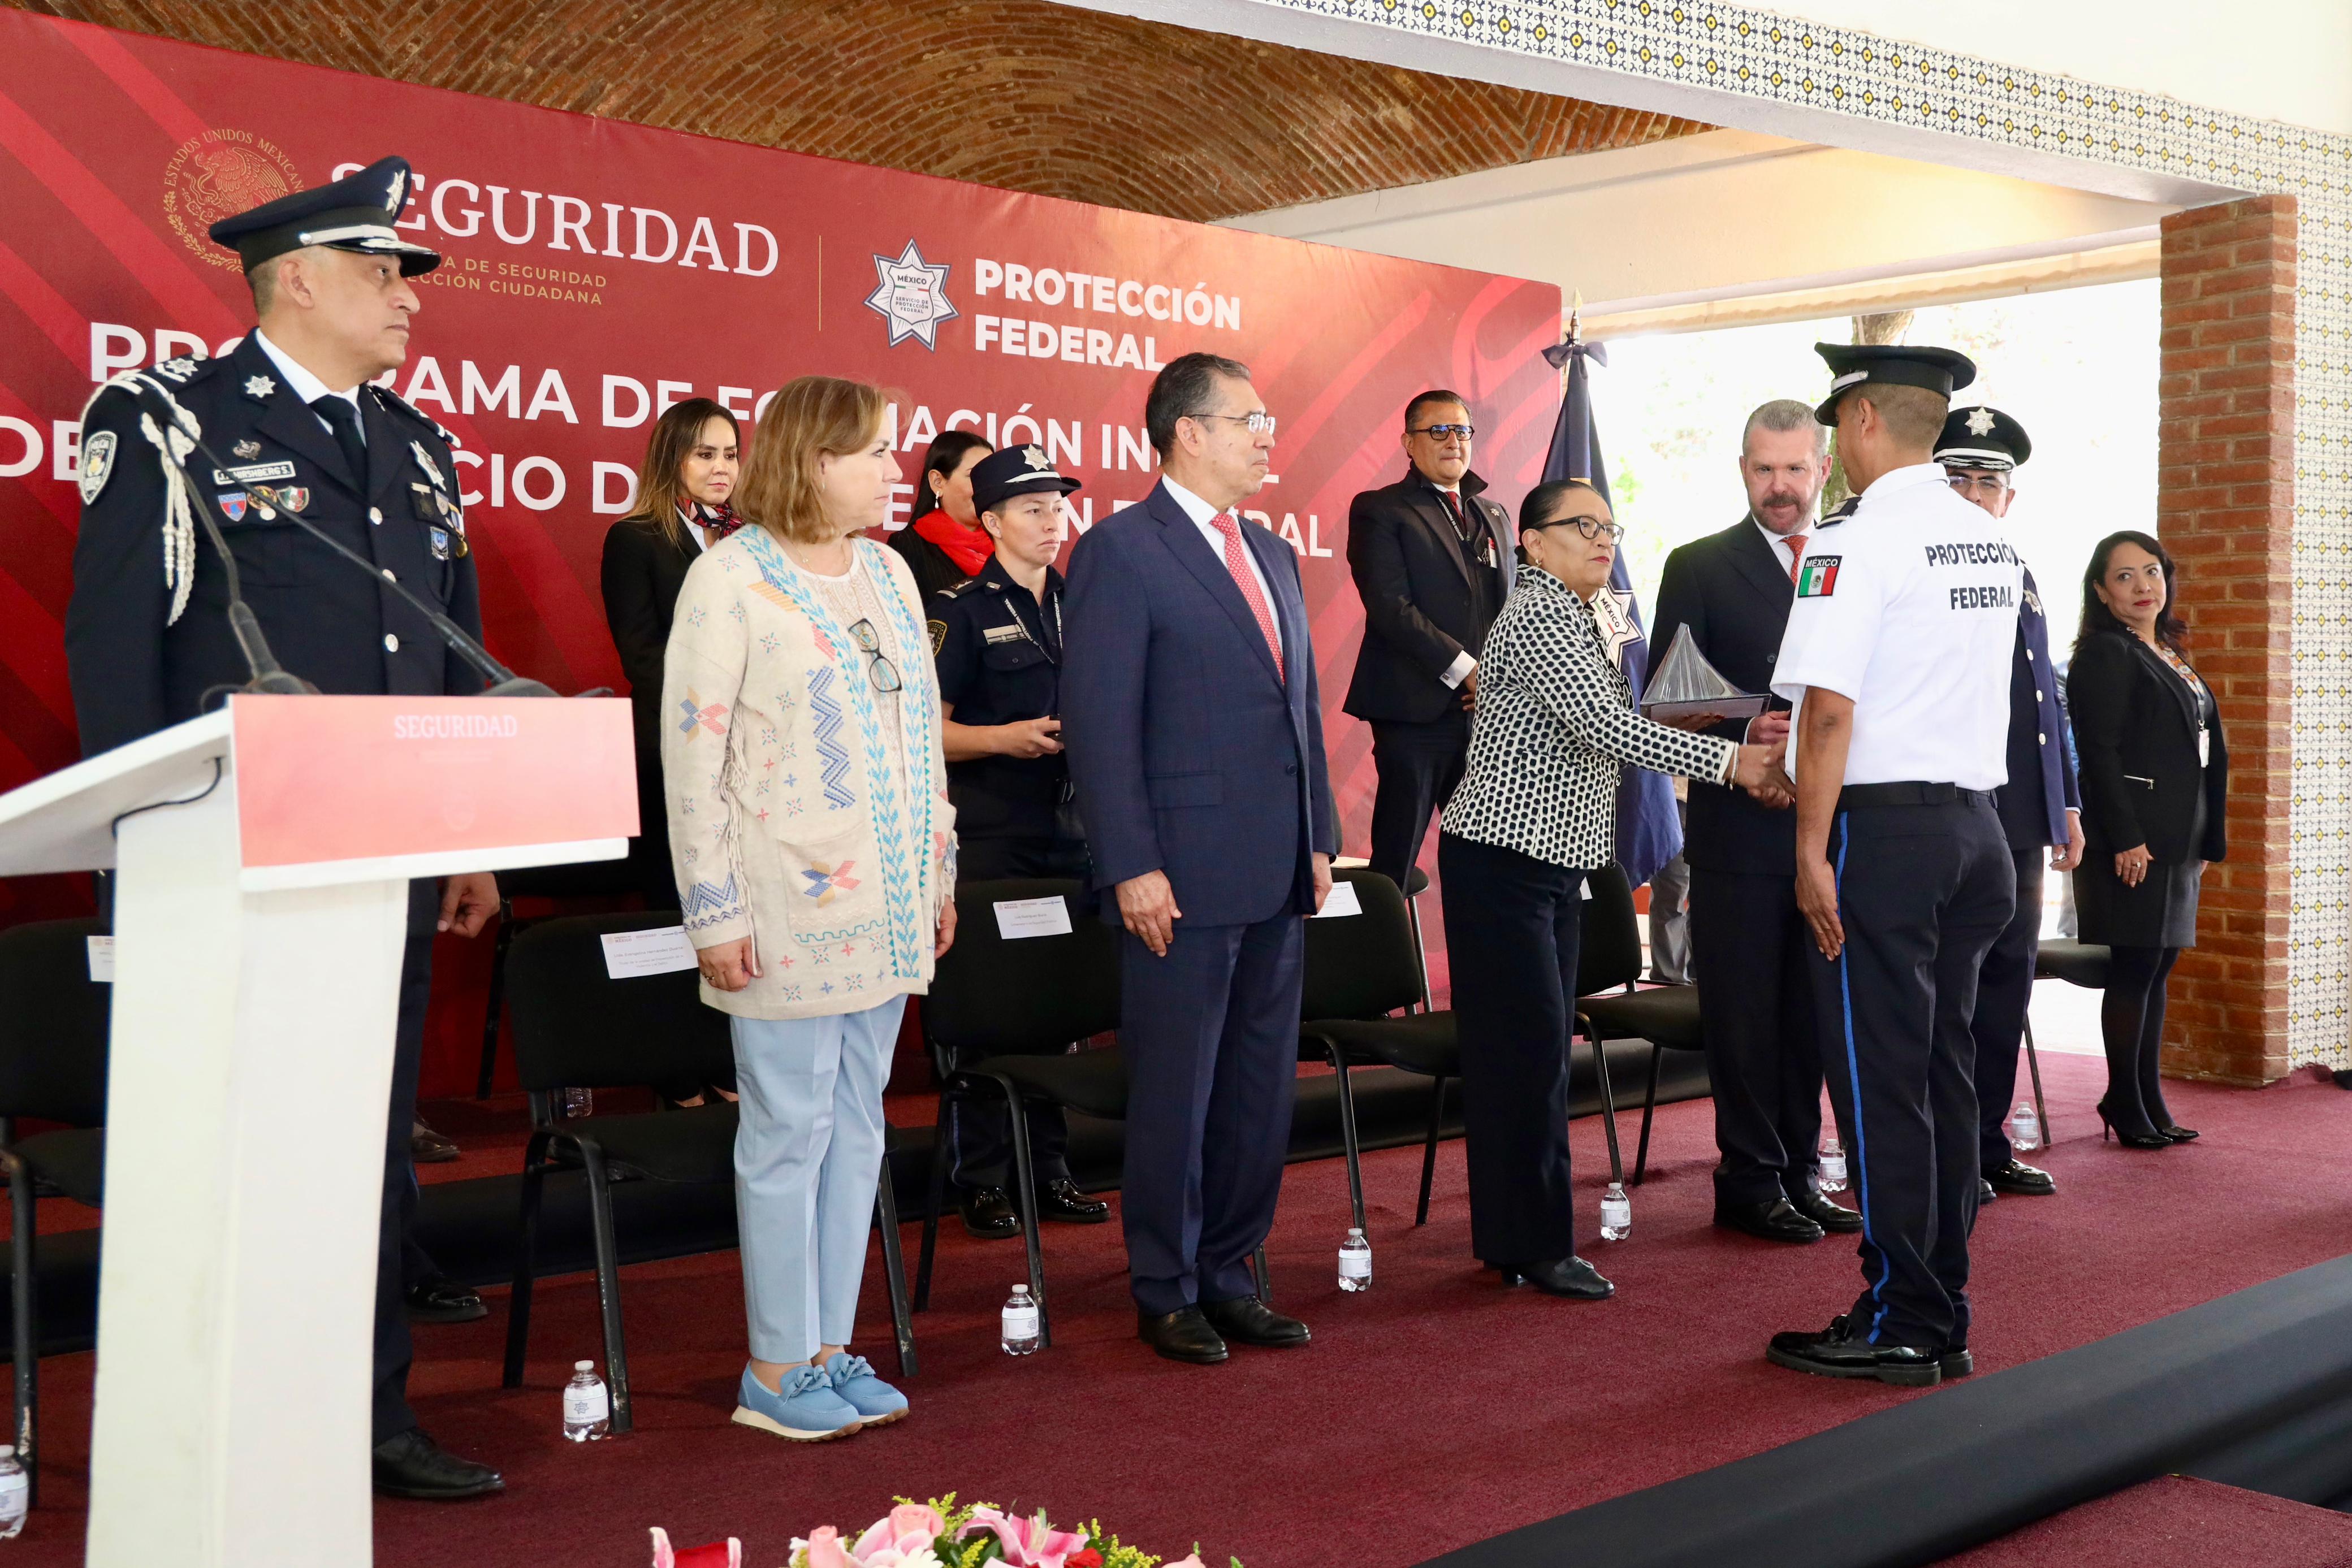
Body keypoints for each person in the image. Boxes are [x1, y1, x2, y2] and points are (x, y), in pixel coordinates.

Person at [62, 158, 503, 1499]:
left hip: (382, 863)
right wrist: (141, 855)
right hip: (233, 859)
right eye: (384, 273)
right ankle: (222, 1416)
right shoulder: (170, 422)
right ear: (296, 276)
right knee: (238, 1152)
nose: (408, 300)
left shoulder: (415, 443)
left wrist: (471, 833)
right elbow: (116, 651)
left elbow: (453, 655)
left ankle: (366, 1414)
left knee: (366, 1147)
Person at [663, 375, 958, 1441]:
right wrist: (713, 909)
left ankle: (832, 1345)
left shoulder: (887, 570)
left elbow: (920, 739)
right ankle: (776, 1363)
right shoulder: (729, 579)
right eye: (875, 451)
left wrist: (939, 874)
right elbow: (689, 762)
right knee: (788, 1127)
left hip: (886, 904)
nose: (895, 470)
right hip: (779, 903)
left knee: (861, 1125)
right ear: (813, 460)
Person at [1439, 481, 1784, 1300]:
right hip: (1503, 862)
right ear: (1531, 542)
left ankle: (1516, 1238)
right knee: (1525, 1060)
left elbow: (1603, 720)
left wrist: (1713, 728)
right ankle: (1537, 1242)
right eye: (1580, 526)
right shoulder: (1540, 613)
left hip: (1544, 864)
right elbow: (1606, 728)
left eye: (1607, 524)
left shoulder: (1575, 611)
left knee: (1527, 1057)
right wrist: (1733, 762)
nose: (1602, 539)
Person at [1061, 352, 1335, 1366]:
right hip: (1176, 871)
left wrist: (1320, 836)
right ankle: (1165, 1284)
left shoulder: (1271, 551)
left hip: (1276, 865)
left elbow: (1297, 705)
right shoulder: (1122, 551)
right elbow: (1099, 724)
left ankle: (1231, 1271)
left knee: (1260, 1087)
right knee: (1179, 1086)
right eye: (1249, 418)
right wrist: (1130, 861)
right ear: (1187, 431)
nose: (1268, 434)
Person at [1764, 342, 2021, 1390]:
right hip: (1978, 834)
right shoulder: (1990, 539)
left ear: (1863, 419)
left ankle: (1903, 1317)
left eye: (1832, 428)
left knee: (1879, 1083)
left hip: (1889, 839)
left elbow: (1827, 709)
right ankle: (1938, 1301)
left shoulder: (1854, 541)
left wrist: (1809, 848)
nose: (1830, 449)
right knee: (1945, 1076)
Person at [1651, 399, 1860, 1246]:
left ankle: (1802, 1172)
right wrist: (1750, 726)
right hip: (1739, 829)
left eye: (1794, 469)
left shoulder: (1853, 557)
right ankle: (1747, 1180)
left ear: (1822, 471)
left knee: (1811, 1014)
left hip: (1837, 827)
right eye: (1763, 468)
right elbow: (1665, 696)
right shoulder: (1698, 563)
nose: (1780, 486)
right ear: (1743, 470)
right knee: (1744, 1015)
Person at [931, 444, 1110, 1238]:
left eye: (1059, 505)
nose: (1052, 520)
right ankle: (981, 1178)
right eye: (1032, 508)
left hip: (1071, 832)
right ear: (992, 519)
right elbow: (924, 732)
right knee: (990, 1013)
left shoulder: (1091, 602)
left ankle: (1050, 1169)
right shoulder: (963, 611)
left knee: (1056, 1012)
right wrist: (1004, 738)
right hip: (995, 835)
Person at [1934, 407, 2084, 1199]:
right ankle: (1947, 1147)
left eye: (1987, 481)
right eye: (1957, 478)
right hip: (1956, 807)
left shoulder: (2020, 570)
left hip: (2022, 816)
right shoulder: (1926, 563)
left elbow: (2043, 701)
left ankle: (1988, 1140)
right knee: (1951, 989)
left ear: (2008, 498)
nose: (1972, 493)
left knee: (2007, 984)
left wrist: (2066, 802)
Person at [2066, 531, 2226, 1147]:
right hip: (2132, 840)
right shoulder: (2106, 653)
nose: (2141, 587)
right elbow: (2098, 755)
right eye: (2124, 577)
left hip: (2174, 837)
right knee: (2135, 966)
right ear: (2101, 592)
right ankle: (2122, 1101)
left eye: (2150, 572)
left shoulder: (2163, 649)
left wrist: (2201, 839)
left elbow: (2199, 750)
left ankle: (2146, 1097)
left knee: (2158, 966)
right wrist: (2127, 837)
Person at [1341, 390, 1515, 889]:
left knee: (1490, 864)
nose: (1453, 441)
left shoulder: (1495, 515)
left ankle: (1486, 966)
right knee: (1396, 860)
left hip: (1486, 719)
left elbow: (1509, 609)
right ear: (1408, 443)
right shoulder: (1380, 510)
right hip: (1414, 715)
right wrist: (1468, 671)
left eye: (1462, 431)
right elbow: (1391, 609)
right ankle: (1377, 965)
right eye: (1438, 430)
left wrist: (1499, 679)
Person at [601, 397, 745, 909]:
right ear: (671, 458)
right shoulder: (634, 538)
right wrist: (716, 720)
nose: (722, 468)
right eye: (706, 454)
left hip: (749, 751)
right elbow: (642, 657)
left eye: (730, 454)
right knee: (681, 900)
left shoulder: (750, 540)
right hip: (674, 744)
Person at [892, 429, 996, 604]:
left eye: (991, 477)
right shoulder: (908, 545)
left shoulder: (1006, 544)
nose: (987, 487)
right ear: (938, 481)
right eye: (974, 476)